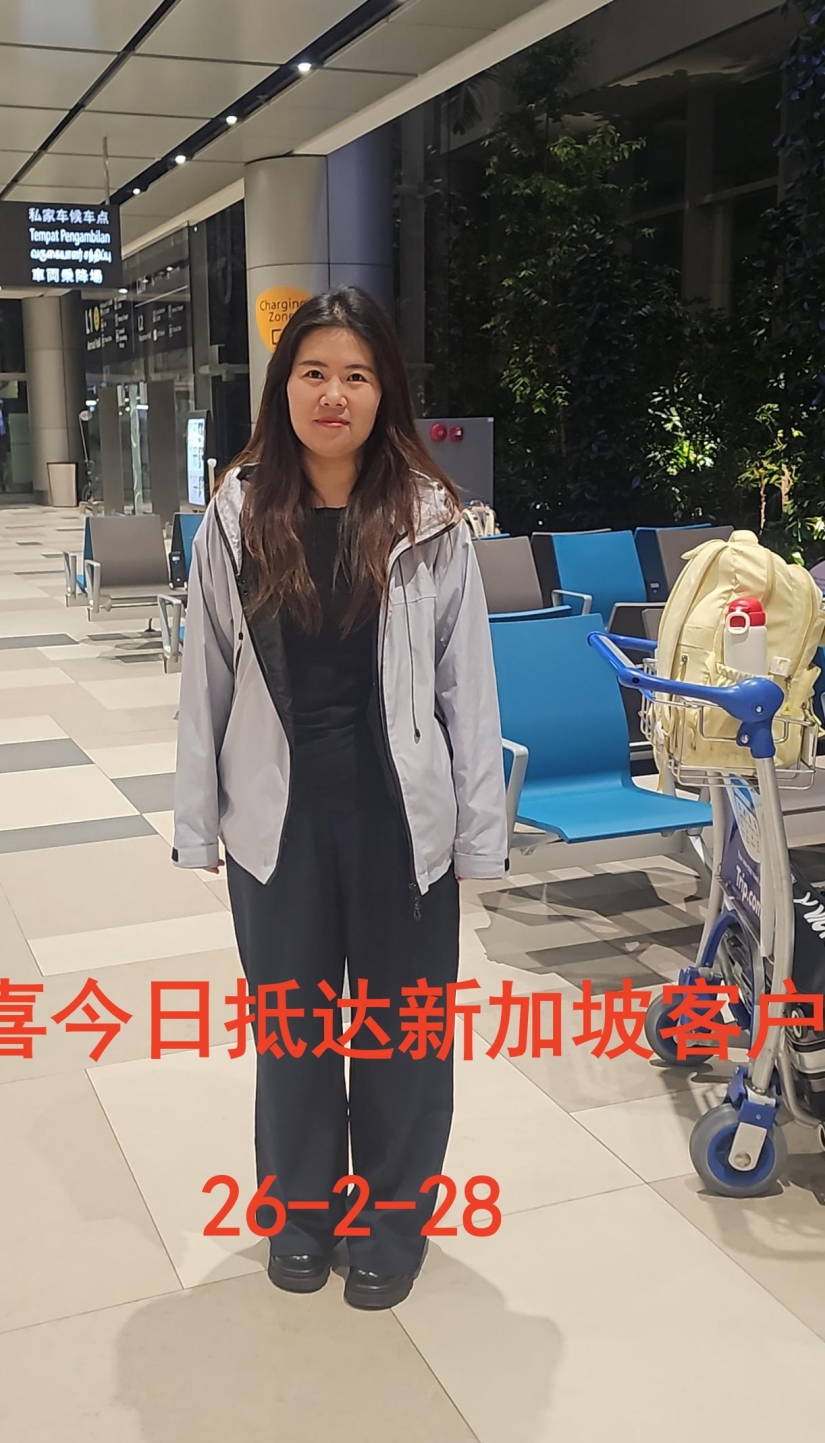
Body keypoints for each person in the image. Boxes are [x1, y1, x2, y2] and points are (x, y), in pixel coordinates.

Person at [172, 287, 507, 1310]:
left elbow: (468, 689)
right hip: (278, 823)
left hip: (400, 823)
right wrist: (197, 826)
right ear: (284, 389)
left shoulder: (430, 518)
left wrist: (479, 837)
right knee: (295, 1037)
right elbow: (205, 681)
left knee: (405, 1038)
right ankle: (301, 1216)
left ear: (383, 392)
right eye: (314, 372)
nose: (334, 394)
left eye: (356, 375)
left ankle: (391, 1225)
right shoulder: (237, 515)